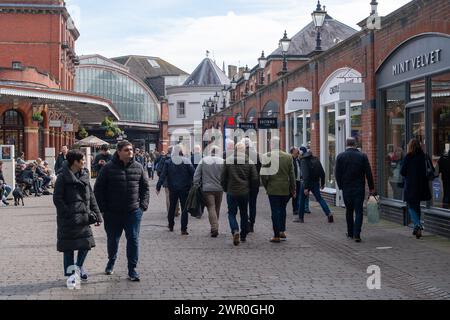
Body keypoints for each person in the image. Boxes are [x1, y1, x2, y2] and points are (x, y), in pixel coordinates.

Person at [94, 141, 150, 281]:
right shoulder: (107, 168)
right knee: (113, 240)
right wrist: (104, 209)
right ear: (118, 152)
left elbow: (145, 188)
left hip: (133, 212)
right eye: (126, 150)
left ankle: (132, 269)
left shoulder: (139, 167)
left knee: (133, 240)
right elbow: (98, 189)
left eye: (131, 149)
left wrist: (142, 206)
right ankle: (111, 261)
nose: (130, 152)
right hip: (112, 213)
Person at [53, 150, 102, 284]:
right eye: (83, 160)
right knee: (69, 248)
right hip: (68, 219)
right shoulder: (62, 177)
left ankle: (78, 267)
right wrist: (68, 212)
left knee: (86, 244)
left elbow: (91, 196)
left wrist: (97, 215)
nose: (85, 162)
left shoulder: (85, 175)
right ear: (75, 162)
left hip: (84, 218)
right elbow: (57, 198)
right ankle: (71, 275)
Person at [335, 137, 375, 242]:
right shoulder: (362, 156)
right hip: (359, 188)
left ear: (346, 144)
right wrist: (371, 188)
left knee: (349, 211)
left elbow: (337, 174)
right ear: (355, 144)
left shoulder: (340, 157)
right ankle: (357, 234)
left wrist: (341, 186)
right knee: (359, 211)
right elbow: (369, 173)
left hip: (346, 188)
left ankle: (350, 233)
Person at [222, 142, 259, 246]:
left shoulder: (228, 161)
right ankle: (243, 236)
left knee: (231, 213)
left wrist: (225, 188)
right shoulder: (250, 162)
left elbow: (223, 177)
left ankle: (235, 230)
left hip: (231, 191)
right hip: (244, 191)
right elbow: (255, 178)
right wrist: (251, 189)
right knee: (243, 213)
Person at [261, 137, 296, 243]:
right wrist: (293, 188)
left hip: (273, 188)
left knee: (275, 211)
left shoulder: (267, 156)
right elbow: (292, 175)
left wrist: (267, 186)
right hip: (285, 188)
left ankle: (276, 235)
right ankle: (282, 231)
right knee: (283, 210)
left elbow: (263, 175)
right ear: (280, 144)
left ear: (271, 144)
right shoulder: (288, 157)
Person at [156, 145, 194, 235]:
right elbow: (193, 173)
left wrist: (158, 186)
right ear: (181, 152)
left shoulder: (168, 162)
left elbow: (163, 175)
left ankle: (171, 225)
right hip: (185, 188)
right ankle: (183, 229)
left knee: (172, 207)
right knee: (184, 208)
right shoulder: (186, 161)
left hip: (172, 188)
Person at [400, 139, 432, 240]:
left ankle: (418, 225)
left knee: (410, 206)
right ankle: (415, 227)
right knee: (416, 205)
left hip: (411, 186)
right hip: (422, 185)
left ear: (410, 146)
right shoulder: (424, 156)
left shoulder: (408, 157)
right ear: (419, 146)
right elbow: (430, 170)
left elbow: (402, 172)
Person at [193, 145, 224, 238]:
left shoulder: (204, 160)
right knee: (217, 208)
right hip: (219, 188)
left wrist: (196, 185)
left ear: (210, 151)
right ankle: (215, 226)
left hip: (207, 189)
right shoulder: (222, 162)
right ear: (218, 152)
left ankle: (214, 227)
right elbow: (226, 175)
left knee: (211, 207)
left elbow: (196, 175)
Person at [298, 147, 334, 224]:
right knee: (320, 199)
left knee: (302, 199)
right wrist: (322, 183)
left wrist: (306, 187)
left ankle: (300, 218)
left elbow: (305, 175)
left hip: (306, 183)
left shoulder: (303, 161)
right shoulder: (316, 160)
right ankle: (329, 213)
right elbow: (322, 173)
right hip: (315, 183)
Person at [243, 138, 261, 233]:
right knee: (253, 204)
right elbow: (260, 170)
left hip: (243, 184)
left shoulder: (241, 155)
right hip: (255, 183)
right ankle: (252, 224)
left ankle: (245, 223)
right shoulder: (257, 156)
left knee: (244, 205)